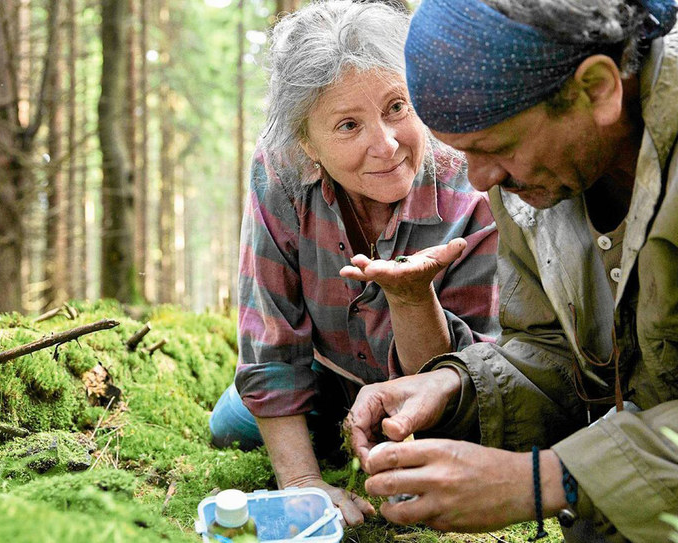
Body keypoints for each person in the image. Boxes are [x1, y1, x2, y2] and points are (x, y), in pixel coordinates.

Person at [346, 0, 678, 541]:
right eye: (463, 154)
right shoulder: (539, 172)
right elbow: (555, 351)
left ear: (597, 89)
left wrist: (541, 482)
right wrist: (453, 387)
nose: (481, 178)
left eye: (497, 147)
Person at [208, 0, 501, 527]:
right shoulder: (279, 170)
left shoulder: (470, 176)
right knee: (231, 423)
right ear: (306, 142)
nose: (385, 145)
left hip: (440, 395)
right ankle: (330, 435)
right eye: (348, 125)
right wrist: (301, 484)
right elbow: (270, 339)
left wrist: (412, 297)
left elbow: (471, 374)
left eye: (396, 107)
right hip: (328, 375)